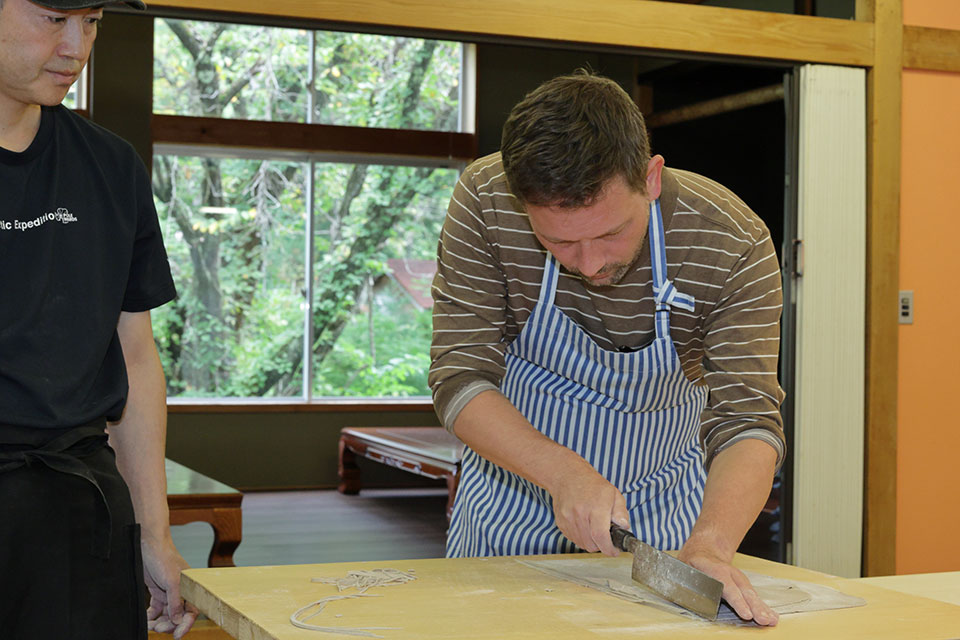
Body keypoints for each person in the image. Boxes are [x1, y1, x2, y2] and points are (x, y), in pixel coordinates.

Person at [429, 71, 785, 626]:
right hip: (511, 505)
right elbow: (458, 375)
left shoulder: (732, 242)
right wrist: (564, 474)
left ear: (652, 177)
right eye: (558, 242)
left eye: (610, 233)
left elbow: (748, 421)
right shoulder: (485, 199)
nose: (590, 265)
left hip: (667, 521)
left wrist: (712, 547)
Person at [0, 0, 196, 637]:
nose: (76, 47)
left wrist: (154, 533)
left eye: (93, 22)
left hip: (78, 508)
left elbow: (135, 357)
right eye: (54, 19)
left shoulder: (110, 168)